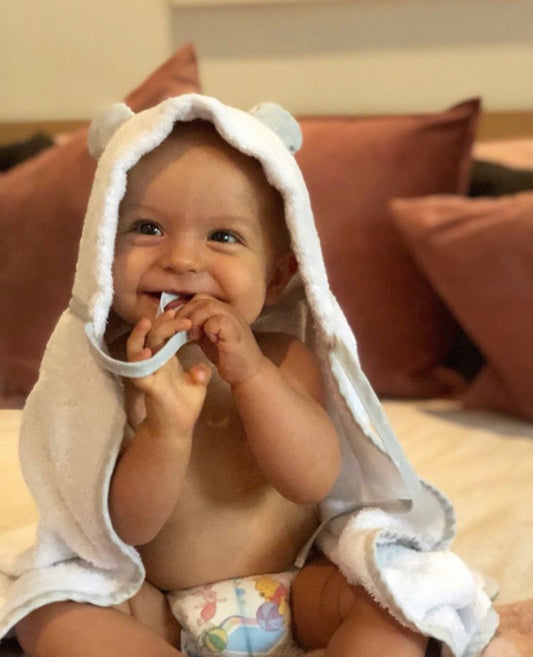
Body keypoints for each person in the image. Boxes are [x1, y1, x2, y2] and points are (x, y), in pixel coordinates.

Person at [14, 117, 429, 657]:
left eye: (224, 237)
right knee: (48, 613)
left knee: (396, 603)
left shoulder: (284, 359)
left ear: (276, 277)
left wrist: (251, 374)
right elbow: (130, 529)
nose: (182, 260)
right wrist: (165, 431)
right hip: (159, 605)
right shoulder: (113, 373)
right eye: (147, 228)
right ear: (101, 251)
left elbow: (311, 481)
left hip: (297, 590)